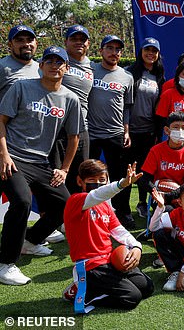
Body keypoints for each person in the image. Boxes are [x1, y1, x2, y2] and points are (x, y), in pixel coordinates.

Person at [0, 46, 82, 285]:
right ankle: (6, 263)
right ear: (40, 65)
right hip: (13, 157)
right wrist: (3, 156)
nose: (54, 65)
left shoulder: (70, 98)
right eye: (49, 61)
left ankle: (31, 240)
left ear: (67, 68)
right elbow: (1, 121)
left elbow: (74, 137)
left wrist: (64, 169)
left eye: (60, 62)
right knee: (23, 201)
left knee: (65, 205)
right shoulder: (22, 87)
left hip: (41, 162)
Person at [62, 161, 153, 310]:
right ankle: (85, 292)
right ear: (80, 181)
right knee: (132, 297)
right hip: (91, 266)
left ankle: (97, 287)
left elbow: (119, 230)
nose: (98, 184)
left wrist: (137, 247)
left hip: (110, 260)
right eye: (92, 180)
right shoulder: (76, 201)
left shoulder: (105, 206)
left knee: (147, 287)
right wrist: (122, 184)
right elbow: (96, 195)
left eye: (102, 180)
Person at [87, 35, 134, 228]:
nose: (114, 52)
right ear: (101, 51)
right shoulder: (89, 70)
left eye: (117, 49)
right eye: (110, 48)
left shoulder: (126, 76)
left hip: (115, 133)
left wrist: (126, 131)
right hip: (90, 133)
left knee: (120, 176)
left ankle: (123, 211)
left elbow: (127, 107)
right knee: (89, 175)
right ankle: (89, 211)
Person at [124, 37, 165, 216]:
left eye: (154, 51)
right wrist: (125, 129)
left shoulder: (159, 76)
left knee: (145, 170)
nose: (150, 54)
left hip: (148, 131)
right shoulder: (129, 73)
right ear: (141, 53)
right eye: (147, 50)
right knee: (127, 171)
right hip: (130, 131)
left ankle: (142, 203)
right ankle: (123, 209)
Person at [137, 111, 184, 215]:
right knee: (168, 212)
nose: (180, 131)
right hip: (159, 194)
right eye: (176, 127)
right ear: (167, 130)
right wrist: (157, 193)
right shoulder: (156, 150)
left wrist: (170, 196)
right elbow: (144, 179)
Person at [58, 25, 93, 195]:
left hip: (81, 129)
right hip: (58, 130)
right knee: (57, 177)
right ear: (66, 42)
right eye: (74, 39)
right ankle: (58, 219)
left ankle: (79, 218)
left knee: (82, 178)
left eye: (83, 39)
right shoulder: (57, 62)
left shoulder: (93, 66)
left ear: (88, 43)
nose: (79, 42)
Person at [0, 25, 40, 101]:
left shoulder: (42, 68)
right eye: (20, 40)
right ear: (10, 45)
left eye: (30, 40)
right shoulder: (2, 67)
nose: (26, 44)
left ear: (36, 44)